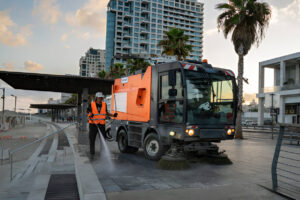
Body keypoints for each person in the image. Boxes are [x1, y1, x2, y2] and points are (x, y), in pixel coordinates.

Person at [87, 92, 117, 158]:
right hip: (93, 125)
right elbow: (87, 112)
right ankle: (92, 154)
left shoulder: (104, 104)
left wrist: (113, 115)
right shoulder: (91, 104)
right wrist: (90, 114)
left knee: (103, 139)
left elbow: (106, 112)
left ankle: (102, 153)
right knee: (92, 139)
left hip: (101, 125)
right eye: (100, 97)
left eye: (102, 97)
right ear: (96, 98)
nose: (101, 99)